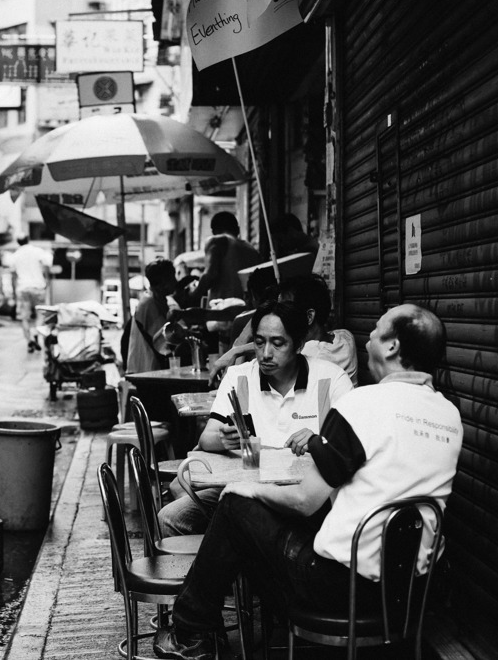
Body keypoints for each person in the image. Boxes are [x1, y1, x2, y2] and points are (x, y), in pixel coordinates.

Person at [153, 304, 462, 660]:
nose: (367, 342)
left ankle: (190, 633)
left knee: (234, 507)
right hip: (412, 589)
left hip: (338, 587)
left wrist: (247, 489)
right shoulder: (448, 414)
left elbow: (304, 501)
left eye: (375, 332)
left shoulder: (363, 403)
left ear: (391, 347)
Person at [158, 300, 352, 536]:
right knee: (169, 518)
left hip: (305, 494)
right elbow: (207, 438)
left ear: (299, 345)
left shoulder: (331, 378)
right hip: (243, 488)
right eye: (260, 343)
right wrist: (224, 439)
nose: (266, 354)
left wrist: (318, 440)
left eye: (278, 344)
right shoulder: (240, 376)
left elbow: (350, 446)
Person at [212, 274, 358, 386]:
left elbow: (236, 386)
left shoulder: (312, 356)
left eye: (284, 309)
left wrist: (240, 347)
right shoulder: (344, 338)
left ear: (309, 317)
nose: (277, 316)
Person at [187, 211, 262, 305]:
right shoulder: (252, 250)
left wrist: (191, 297)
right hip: (247, 313)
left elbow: (209, 275)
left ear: (214, 231)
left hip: (222, 311)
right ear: (237, 229)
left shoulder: (216, 240)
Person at [126, 259, 178, 374]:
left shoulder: (159, 299)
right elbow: (164, 341)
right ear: (162, 282)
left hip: (151, 370)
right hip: (146, 370)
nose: (175, 281)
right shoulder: (149, 303)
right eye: (172, 277)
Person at [8, 234, 53, 353]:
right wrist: (47, 280)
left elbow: (13, 275)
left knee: (24, 317)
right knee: (40, 315)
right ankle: (35, 334)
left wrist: (13, 291)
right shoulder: (37, 251)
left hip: (22, 288)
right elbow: (48, 263)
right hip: (38, 287)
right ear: (28, 240)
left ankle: (29, 342)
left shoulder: (15, 255)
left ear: (18, 242)